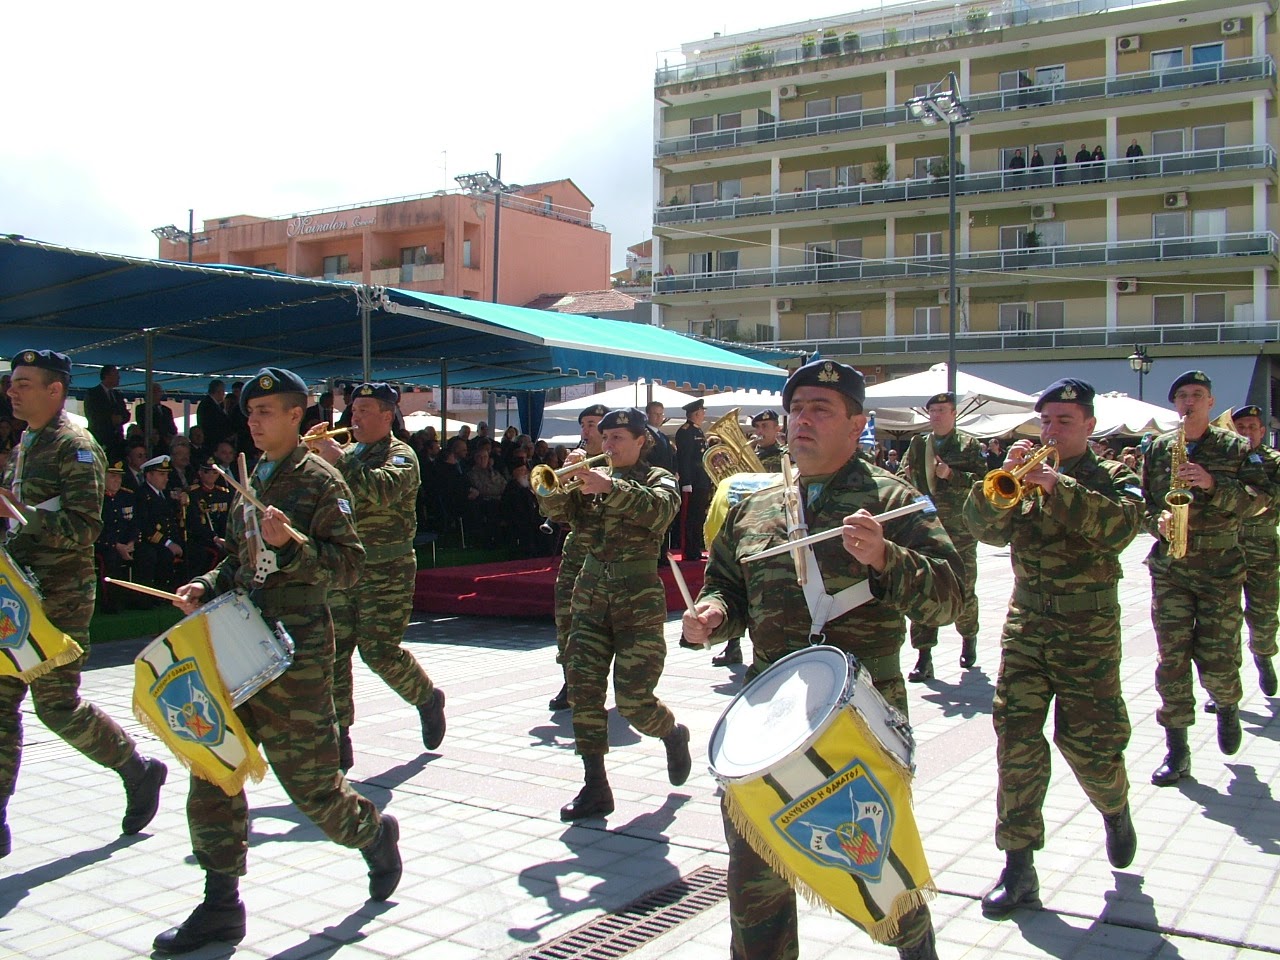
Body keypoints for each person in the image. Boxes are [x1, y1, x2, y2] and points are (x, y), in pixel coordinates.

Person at [683, 359, 962, 960]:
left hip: (856, 724)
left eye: (821, 410)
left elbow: (950, 599)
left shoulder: (894, 502)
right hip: (769, 721)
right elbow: (727, 586)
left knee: (879, 873)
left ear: (858, 423)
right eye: (797, 408)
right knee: (755, 883)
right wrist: (710, 615)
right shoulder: (755, 506)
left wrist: (889, 560)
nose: (802, 420)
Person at [156, 367, 399, 954]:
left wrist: (294, 544)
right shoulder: (253, 474)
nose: (255, 421)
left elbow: (348, 566)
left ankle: (372, 834)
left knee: (313, 789)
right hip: (239, 640)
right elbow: (240, 565)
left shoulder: (321, 479)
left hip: (299, 651)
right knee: (215, 767)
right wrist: (203, 584)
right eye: (251, 413)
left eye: (267, 412)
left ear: (297, 415)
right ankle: (221, 905)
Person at [963, 379, 1143, 918]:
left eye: (1064, 421)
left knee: (1088, 744)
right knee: (1015, 739)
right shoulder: (1021, 475)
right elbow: (983, 531)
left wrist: (1057, 487)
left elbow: (1120, 530)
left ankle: (1114, 807)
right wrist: (997, 484)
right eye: (1045, 421)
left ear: (1090, 426)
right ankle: (1019, 866)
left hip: (1088, 629)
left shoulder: (1114, 477)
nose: (1052, 430)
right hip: (1026, 626)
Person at [0, 349, 166, 861]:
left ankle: (136, 770)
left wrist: (21, 514)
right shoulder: (29, 441)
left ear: (55, 390)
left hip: (59, 599)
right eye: (12, 382)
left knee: (58, 708)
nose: (12, 390)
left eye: (24, 383)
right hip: (19, 598)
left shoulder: (76, 447)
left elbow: (83, 529)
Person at [539, 407, 688, 821]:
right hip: (589, 596)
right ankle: (595, 786)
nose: (608, 446)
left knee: (635, 702)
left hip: (636, 601)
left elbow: (660, 512)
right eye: (605, 438)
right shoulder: (590, 475)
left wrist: (611, 488)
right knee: (584, 692)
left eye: (619, 438)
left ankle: (672, 733)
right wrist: (560, 481)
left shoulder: (658, 478)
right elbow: (553, 509)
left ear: (642, 441)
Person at [308, 382, 445, 773]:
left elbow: (380, 492)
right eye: (354, 409)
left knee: (379, 651)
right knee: (335, 654)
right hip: (345, 568)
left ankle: (426, 698)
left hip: (388, 569)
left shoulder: (402, 456)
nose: (355, 416)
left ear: (387, 417)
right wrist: (314, 457)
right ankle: (340, 738)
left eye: (366, 410)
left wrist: (339, 458)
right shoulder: (345, 453)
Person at [1143, 371, 1271, 788]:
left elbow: (1260, 502)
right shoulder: (1160, 449)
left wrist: (1214, 484)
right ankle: (1177, 748)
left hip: (1219, 567)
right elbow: (1143, 502)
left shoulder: (1235, 448)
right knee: (1172, 659)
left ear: (1211, 402)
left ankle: (1228, 702)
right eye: (1181, 396)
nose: (1189, 402)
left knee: (1217, 655)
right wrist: (1155, 522)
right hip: (1172, 566)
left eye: (1197, 395)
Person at [900, 392, 989, 679]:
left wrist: (951, 474)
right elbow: (903, 476)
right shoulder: (918, 444)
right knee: (923, 588)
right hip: (926, 528)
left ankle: (968, 636)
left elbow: (983, 485)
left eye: (942, 410)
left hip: (960, 530)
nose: (936, 415)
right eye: (933, 410)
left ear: (954, 414)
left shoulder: (968, 445)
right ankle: (924, 656)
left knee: (963, 588)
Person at [712, 409, 787, 668]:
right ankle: (732, 645)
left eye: (766, 426)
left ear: (777, 428)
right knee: (737, 585)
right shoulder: (746, 456)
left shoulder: (788, 457)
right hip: (745, 529)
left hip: (776, 532)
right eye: (757, 426)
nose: (760, 431)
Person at [546, 403, 606, 712]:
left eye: (592, 424)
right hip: (576, 556)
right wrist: (561, 481)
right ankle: (570, 679)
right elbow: (558, 513)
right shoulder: (575, 462)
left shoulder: (618, 467)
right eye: (583, 424)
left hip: (606, 559)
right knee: (565, 620)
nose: (585, 430)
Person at [1226, 405, 1279, 702]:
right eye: (1240, 427)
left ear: (1262, 431)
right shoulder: (1225, 460)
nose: (1246, 432)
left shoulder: (1273, 462)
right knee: (1224, 620)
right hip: (1228, 548)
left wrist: (1255, 465)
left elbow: (1276, 501)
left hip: (1262, 549)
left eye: (1251, 427)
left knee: (1264, 615)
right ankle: (1226, 686)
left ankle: (1263, 654)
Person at [133, 455, 184, 596]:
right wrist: (168, 543)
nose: (166, 478)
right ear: (149, 476)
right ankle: (157, 595)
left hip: (168, 539)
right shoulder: (142, 495)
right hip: (150, 541)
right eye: (161, 474)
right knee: (160, 555)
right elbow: (145, 526)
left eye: (166, 474)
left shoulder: (165, 494)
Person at [96, 460, 138, 611]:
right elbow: (98, 528)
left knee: (147, 554)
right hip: (105, 544)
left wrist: (132, 541)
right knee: (111, 558)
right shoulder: (97, 498)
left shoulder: (127, 496)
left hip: (126, 542)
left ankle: (140, 600)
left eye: (119, 477)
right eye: (113, 476)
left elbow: (134, 523)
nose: (117, 481)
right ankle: (112, 604)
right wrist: (115, 545)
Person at [183, 456, 233, 582]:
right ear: (200, 473)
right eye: (206, 472)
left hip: (222, 537)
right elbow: (193, 522)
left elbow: (227, 519)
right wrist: (214, 538)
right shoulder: (192, 493)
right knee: (215, 554)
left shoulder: (224, 493)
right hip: (201, 539)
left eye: (214, 472)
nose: (211, 475)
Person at [675, 398, 711, 561]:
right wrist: (687, 481)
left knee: (698, 516)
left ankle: (695, 548)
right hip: (693, 481)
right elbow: (685, 458)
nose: (704, 414)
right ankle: (689, 550)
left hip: (701, 479)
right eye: (702, 412)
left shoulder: (697, 431)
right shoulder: (685, 431)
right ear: (696, 413)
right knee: (689, 518)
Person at [82, 363, 130, 460]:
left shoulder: (118, 395)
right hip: (101, 439)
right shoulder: (93, 393)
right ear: (107, 376)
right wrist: (109, 420)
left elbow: (126, 414)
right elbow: (92, 415)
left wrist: (121, 418)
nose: (119, 377)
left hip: (118, 441)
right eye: (116, 374)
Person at [196, 379, 234, 447]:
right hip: (213, 443)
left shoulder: (212, 404)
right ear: (218, 391)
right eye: (223, 391)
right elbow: (212, 425)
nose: (223, 394)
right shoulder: (208, 405)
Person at [142, 383, 178, 451]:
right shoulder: (143, 408)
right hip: (152, 444)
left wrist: (171, 435)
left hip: (166, 445)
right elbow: (144, 425)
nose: (156, 394)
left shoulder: (167, 410)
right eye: (154, 391)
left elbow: (172, 426)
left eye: (158, 391)